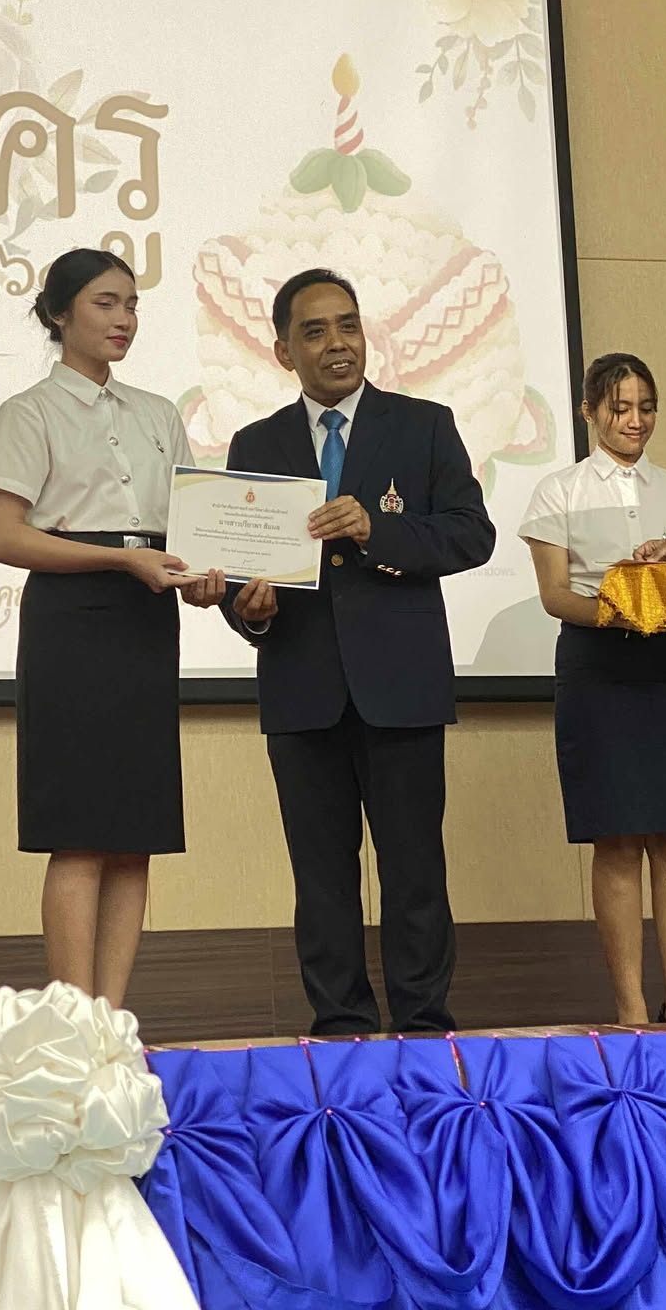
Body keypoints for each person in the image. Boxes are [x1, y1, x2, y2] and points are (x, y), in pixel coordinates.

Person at [217, 266, 494, 1036]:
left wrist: (380, 531)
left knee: (415, 872)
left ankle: (424, 1027)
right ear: (284, 352)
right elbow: (239, 575)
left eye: (348, 325)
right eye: (315, 332)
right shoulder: (256, 443)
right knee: (322, 879)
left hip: (401, 688)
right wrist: (251, 611)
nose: (337, 343)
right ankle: (340, 1028)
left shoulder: (424, 425)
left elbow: (472, 534)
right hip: (301, 689)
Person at [0, 247, 223, 1008]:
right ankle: (72, 1020)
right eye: (105, 304)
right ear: (59, 314)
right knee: (80, 834)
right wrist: (119, 560)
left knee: (134, 835)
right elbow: (2, 537)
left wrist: (204, 578)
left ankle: (112, 1019)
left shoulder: (157, 413)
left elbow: (190, 533)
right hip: (71, 623)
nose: (124, 320)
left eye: (132, 304)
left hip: (145, 620)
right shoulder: (29, 412)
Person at [519, 353, 666, 1026]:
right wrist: (623, 612)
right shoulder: (558, 491)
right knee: (617, 839)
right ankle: (630, 1010)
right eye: (619, 408)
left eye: (646, 407)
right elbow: (556, 595)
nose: (635, 420)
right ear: (588, 412)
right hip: (596, 665)